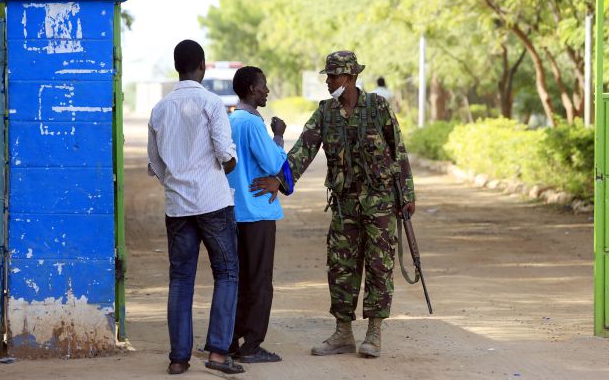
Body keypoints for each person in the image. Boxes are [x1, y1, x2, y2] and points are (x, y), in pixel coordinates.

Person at [251, 51, 415, 358]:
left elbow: (399, 151)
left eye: (333, 76)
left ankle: (374, 333)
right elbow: (303, 149)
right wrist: (280, 179)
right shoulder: (325, 113)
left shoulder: (377, 107)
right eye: (327, 76)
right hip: (344, 204)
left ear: (350, 77)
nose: (328, 82)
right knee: (341, 267)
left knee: (380, 267)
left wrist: (407, 195)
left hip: (380, 203)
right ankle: (343, 334)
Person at [147, 39, 244, 375]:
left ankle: (178, 358)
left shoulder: (159, 109)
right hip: (213, 202)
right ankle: (218, 353)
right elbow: (226, 155)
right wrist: (227, 167)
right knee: (227, 273)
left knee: (181, 279)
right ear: (202, 66)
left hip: (177, 207)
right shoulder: (211, 103)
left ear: (177, 67)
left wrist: (179, 180)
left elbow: (156, 164)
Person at [226, 66, 292, 363]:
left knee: (238, 279)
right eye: (264, 86)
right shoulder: (253, 123)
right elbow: (272, 164)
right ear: (252, 89)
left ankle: (228, 339)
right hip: (258, 211)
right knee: (260, 281)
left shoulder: (231, 120)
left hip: (234, 211)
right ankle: (251, 345)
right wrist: (278, 137)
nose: (267, 91)